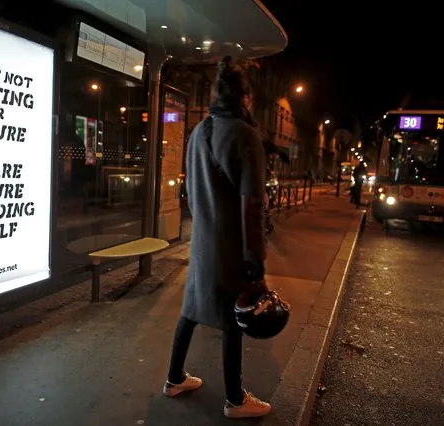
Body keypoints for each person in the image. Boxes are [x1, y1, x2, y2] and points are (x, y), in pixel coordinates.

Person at [162, 56, 271, 419]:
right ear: (245, 98)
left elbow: (192, 193)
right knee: (233, 319)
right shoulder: (245, 135)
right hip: (231, 246)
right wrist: (254, 259)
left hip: (202, 241)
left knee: (190, 311)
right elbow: (252, 204)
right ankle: (235, 401)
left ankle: (175, 377)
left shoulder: (199, 132)